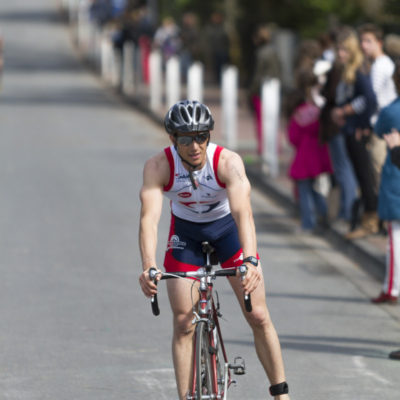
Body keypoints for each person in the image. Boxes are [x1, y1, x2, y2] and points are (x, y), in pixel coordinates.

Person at [138, 100, 290, 400]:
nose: (195, 146)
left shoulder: (227, 162)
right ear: (172, 139)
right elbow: (149, 219)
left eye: (202, 136)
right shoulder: (158, 166)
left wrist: (250, 259)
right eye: (185, 139)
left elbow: (243, 214)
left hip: (227, 232)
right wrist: (148, 266)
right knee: (184, 323)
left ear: (209, 135)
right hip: (186, 234)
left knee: (258, 314)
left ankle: (281, 395)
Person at [329, 28, 377, 238]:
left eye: (344, 50)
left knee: (365, 177)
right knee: (360, 176)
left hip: (357, 130)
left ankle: (371, 220)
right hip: (348, 128)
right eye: (339, 49)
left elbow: (369, 99)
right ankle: (366, 218)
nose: (341, 54)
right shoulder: (348, 70)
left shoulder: (358, 70)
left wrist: (346, 111)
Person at [357, 24, 397, 236]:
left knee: (381, 173)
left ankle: (383, 221)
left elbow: (374, 101)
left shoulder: (381, 66)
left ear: (379, 43)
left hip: (383, 128)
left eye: (368, 41)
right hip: (380, 125)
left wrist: (364, 124)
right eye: (362, 41)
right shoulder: (376, 65)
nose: (364, 46)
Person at [287, 68, 333, 232]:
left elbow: (293, 137)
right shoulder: (318, 110)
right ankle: (324, 213)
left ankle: (308, 223)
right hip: (317, 156)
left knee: (304, 191)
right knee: (313, 189)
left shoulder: (299, 114)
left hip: (303, 158)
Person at [370, 62, 400, 305]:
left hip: (395, 180)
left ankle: (392, 287)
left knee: (395, 239)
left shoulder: (391, 111)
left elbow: (379, 130)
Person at [249, 25, 281, 156]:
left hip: (261, 90)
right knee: (273, 119)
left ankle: (263, 147)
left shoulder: (260, 53)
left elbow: (258, 74)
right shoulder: (274, 51)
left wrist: (252, 90)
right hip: (273, 87)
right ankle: (275, 146)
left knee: (261, 120)